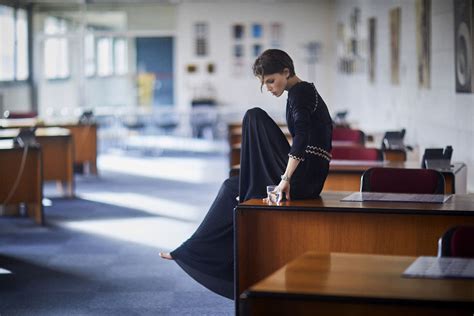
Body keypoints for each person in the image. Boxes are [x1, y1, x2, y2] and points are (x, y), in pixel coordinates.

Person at [159, 49, 332, 300]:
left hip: (304, 178)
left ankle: (246, 196)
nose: (269, 88)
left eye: (271, 81)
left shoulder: (300, 93)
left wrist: (284, 180)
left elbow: (303, 137)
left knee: (253, 116)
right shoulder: (301, 92)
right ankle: (191, 250)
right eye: (264, 84)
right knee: (231, 187)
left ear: (286, 71)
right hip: (308, 174)